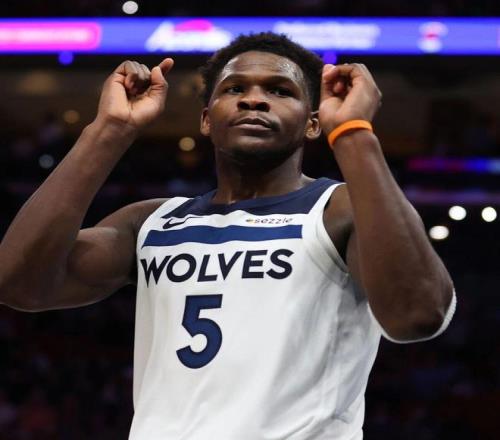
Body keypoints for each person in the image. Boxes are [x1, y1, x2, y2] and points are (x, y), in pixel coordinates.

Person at [0, 32, 455, 439]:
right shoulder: (152, 221)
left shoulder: (341, 209)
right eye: (235, 89)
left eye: (280, 91)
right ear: (205, 119)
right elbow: (19, 283)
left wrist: (353, 133)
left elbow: (418, 315)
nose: (254, 100)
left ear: (312, 123)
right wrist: (110, 130)